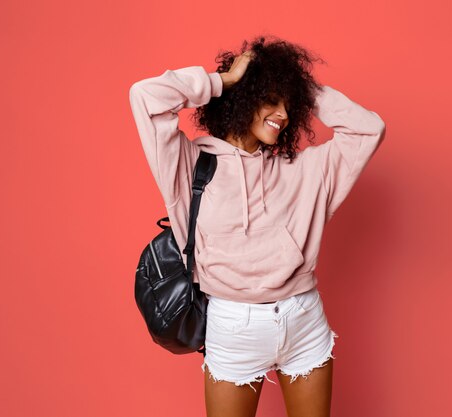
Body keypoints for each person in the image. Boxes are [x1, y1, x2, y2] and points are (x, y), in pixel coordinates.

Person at [129, 35, 386, 417]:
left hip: (303, 320)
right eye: (270, 98)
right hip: (233, 328)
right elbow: (145, 97)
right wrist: (223, 81)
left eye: (289, 104)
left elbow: (370, 128)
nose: (282, 113)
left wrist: (299, 88)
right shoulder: (190, 165)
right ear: (244, 98)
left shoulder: (304, 171)